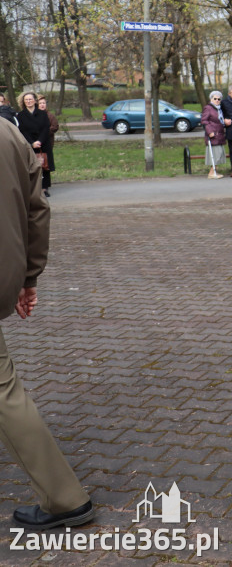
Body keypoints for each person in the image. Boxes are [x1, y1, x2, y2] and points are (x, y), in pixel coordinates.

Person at [0, 119, 95, 529]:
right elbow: (36, 209)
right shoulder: (8, 133)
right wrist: (27, 276)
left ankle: (65, 498)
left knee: (5, 393)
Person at [16, 93, 51, 196]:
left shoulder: (42, 114)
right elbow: (22, 131)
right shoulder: (21, 115)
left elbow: (46, 128)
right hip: (29, 144)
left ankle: (44, 188)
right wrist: (32, 143)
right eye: (26, 100)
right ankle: (34, 188)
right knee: (31, 166)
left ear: (35, 101)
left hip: (43, 143)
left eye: (30, 99)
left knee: (44, 166)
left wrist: (39, 141)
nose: (28, 101)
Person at [200, 91, 226, 179]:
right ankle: (211, 172)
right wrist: (209, 131)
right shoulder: (208, 108)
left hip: (220, 134)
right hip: (213, 134)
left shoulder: (218, 109)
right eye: (215, 99)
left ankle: (214, 171)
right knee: (216, 154)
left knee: (219, 154)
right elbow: (204, 121)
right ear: (211, 99)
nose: (217, 100)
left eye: (219, 99)